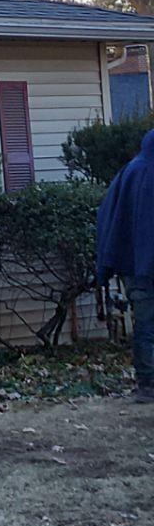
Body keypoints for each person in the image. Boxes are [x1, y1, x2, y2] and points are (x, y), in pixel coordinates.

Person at [95, 128, 154, 404]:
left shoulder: (129, 172)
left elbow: (108, 216)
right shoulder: (144, 173)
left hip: (133, 268)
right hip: (143, 268)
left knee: (145, 324)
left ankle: (147, 384)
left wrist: (107, 266)